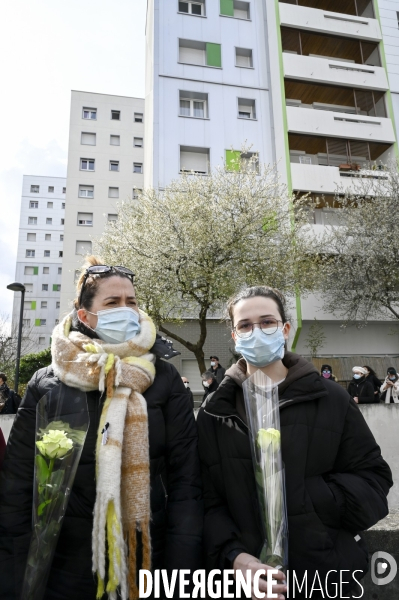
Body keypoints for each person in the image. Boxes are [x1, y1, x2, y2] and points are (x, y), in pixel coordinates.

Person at [0, 257, 203, 600]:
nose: (127, 310)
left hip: (149, 562)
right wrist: (16, 575)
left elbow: (187, 480)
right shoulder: (46, 383)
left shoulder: (164, 378)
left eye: (132, 302)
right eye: (113, 302)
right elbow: (19, 483)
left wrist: (182, 571)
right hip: (64, 568)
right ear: (85, 315)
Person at [197, 285, 392, 599]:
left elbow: (374, 478)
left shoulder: (331, 398)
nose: (256, 331)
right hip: (248, 584)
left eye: (267, 322)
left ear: (285, 329)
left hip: (327, 573)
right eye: (245, 325)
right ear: (234, 336)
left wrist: (310, 500)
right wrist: (235, 557)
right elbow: (207, 501)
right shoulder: (214, 412)